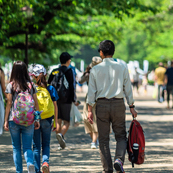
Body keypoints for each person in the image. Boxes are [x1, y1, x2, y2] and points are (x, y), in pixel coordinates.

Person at [87, 40, 137, 173]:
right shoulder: (122, 67)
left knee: (103, 140)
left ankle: (107, 170)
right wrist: (131, 105)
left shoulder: (95, 69)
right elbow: (128, 88)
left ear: (101, 53)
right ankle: (119, 160)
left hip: (102, 104)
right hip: (118, 104)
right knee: (120, 136)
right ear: (113, 52)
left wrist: (89, 110)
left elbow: (91, 92)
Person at [4, 61, 41, 173]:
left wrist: (6, 120)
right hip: (29, 120)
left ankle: (19, 171)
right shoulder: (31, 85)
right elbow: (36, 103)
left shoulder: (11, 85)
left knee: (16, 148)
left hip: (14, 119)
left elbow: (9, 103)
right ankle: (30, 164)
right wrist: (37, 118)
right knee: (27, 147)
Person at [29, 64, 59, 173]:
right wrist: (56, 122)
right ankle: (45, 162)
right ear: (45, 75)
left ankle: (37, 170)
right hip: (48, 118)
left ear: (33, 76)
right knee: (46, 143)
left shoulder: (32, 88)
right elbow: (55, 106)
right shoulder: (50, 88)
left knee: (36, 146)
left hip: (35, 119)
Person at [49, 52, 78, 149]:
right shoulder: (70, 71)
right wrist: (74, 99)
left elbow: (49, 85)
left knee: (58, 120)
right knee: (66, 122)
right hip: (66, 99)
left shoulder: (54, 71)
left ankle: (59, 141)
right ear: (68, 60)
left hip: (55, 99)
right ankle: (61, 135)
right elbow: (72, 86)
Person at [79, 56, 103, 149]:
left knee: (93, 118)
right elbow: (80, 81)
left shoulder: (101, 73)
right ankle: (94, 139)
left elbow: (80, 81)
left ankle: (93, 141)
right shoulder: (89, 73)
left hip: (97, 97)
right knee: (87, 118)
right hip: (91, 97)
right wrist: (86, 72)